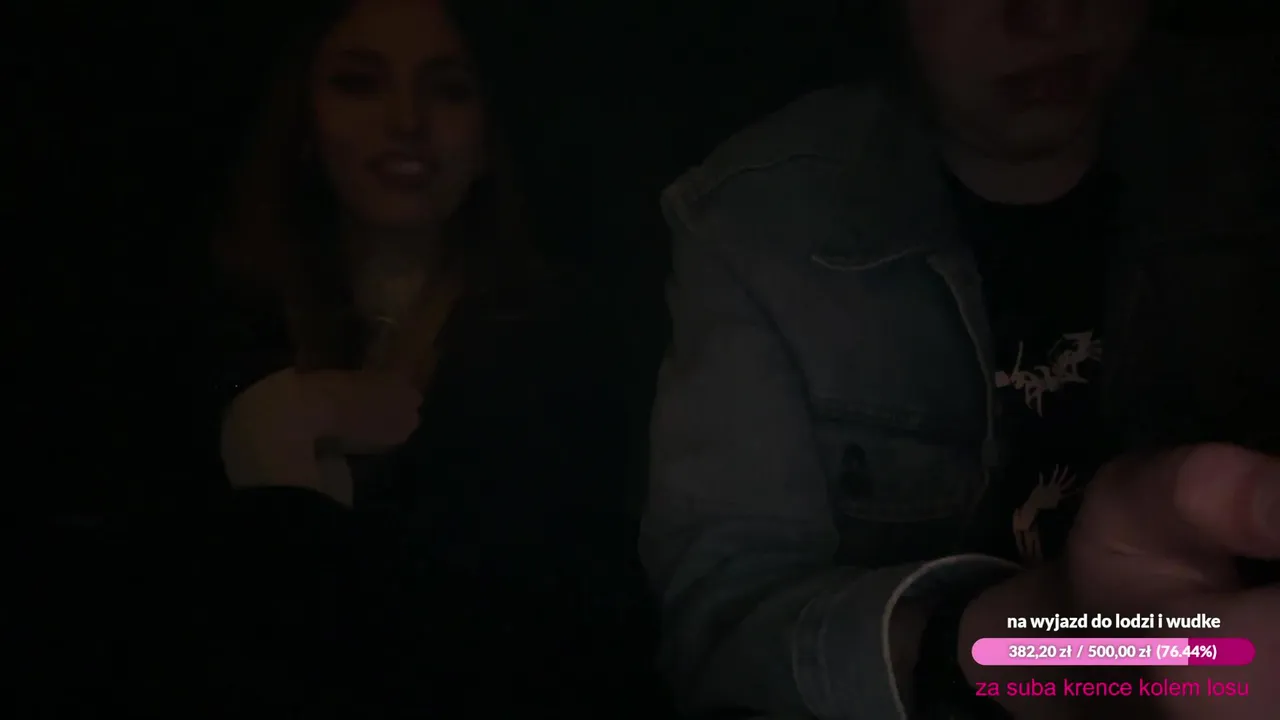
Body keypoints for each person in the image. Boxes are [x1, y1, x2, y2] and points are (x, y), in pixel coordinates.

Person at [643, 1, 1279, 718]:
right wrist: (1051, 647)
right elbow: (722, 636)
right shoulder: (757, 221)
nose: (1049, 17)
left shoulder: (1248, 145)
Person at [206, 0, 658, 716]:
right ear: (302, 121)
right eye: (360, 83)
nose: (407, 121)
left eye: (448, 90)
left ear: (489, 133)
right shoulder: (219, 332)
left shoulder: (566, 355)